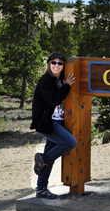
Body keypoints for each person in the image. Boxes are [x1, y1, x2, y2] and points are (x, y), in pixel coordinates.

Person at [30, 52, 77, 199]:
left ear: (63, 66)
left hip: (58, 120)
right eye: (53, 62)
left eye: (60, 63)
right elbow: (54, 99)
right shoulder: (45, 80)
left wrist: (66, 84)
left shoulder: (60, 80)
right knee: (70, 142)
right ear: (49, 64)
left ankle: (41, 189)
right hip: (47, 121)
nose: (56, 65)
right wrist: (67, 86)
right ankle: (43, 159)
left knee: (49, 154)